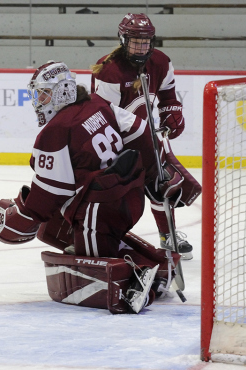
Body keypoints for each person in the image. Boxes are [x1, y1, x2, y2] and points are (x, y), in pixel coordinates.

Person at [0, 60, 183, 314]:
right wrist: (155, 174)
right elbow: (141, 130)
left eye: (43, 93)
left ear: (61, 92)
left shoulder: (55, 132)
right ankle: (161, 264)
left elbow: (47, 197)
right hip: (129, 197)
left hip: (100, 210)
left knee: (97, 271)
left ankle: (137, 284)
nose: (38, 100)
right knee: (52, 230)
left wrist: (14, 219)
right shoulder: (96, 104)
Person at [90, 13, 194, 260]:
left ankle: (168, 235)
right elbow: (104, 116)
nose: (141, 47)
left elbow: (168, 95)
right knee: (115, 194)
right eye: (135, 41)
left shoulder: (161, 62)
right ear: (123, 39)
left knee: (163, 183)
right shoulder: (109, 70)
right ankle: (104, 237)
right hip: (115, 141)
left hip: (146, 135)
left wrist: (172, 112)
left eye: (146, 42)